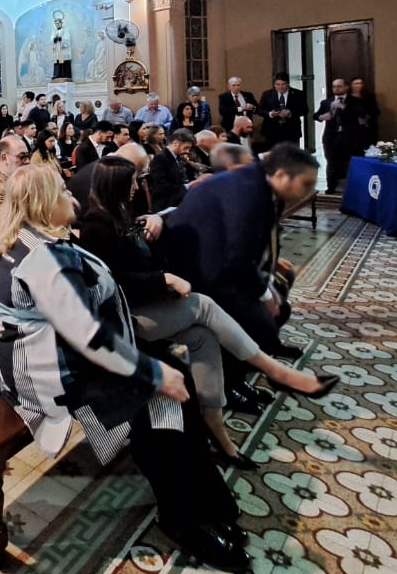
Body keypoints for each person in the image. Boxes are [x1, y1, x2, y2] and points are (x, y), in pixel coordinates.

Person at [0, 165, 251, 572]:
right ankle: (181, 518)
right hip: (49, 374)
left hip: (70, 356)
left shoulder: (43, 240)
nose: (71, 198)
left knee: (174, 390)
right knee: (160, 400)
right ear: (42, 205)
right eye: (61, 192)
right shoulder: (40, 259)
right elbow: (85, 333)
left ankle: (206, 503)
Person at [77, 158, 334, 466]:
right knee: (204, 304)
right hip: (126, 318)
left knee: (203, 337)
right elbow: (114, 283)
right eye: (132, 182)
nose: (137, 186)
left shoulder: (120, 211)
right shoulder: (95, 224)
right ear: (115, 184)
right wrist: (164, 278)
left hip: (147, 304)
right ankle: (275, 371)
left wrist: (152, 220)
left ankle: (216, 429)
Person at [161, 145, 321, 414]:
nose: (306, 191)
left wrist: (267, 278)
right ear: (281, 175)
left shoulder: (259, 182)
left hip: (223, 268)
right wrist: (264, 294)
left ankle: (237, 379)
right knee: (259, 323)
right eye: (305, 183)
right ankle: (228, 387)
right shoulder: (248, 190)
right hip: (199, 274)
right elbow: (237, 253)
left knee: (273, 311)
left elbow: (259, 241)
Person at [0, 134, 30, 255]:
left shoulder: (27, 179)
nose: (28, 161)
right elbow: (1, 229)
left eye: (28, 156)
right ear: (4, 158)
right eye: (22, 157)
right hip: (12, 251)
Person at [315, 78, 354, 193]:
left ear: (345, 87)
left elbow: (360, 113)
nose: (336, 89)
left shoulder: (353, 101)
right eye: (334, 86)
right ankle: (330, 187)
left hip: (348, 137)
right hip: (331, 137)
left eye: (339, 86)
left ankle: (350, 189)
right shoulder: (326, 102)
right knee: (331, 162)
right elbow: (316, 115)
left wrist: (344, 107)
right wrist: (322, 117)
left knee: (349, 163)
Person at [146, 128, 197, 210]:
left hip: (178, 200)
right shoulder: (160, 159)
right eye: (186, 147)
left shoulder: (177, 158)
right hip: (166, 204)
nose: (187, 151)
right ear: (176, 143)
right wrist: (187, 186)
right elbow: (161, 187)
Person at [50, 12, 73, 80]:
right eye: (55, 24)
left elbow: (67, 38)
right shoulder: (54, 31)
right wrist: (55, 39)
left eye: (58, 23)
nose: (56, 25)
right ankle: (57, 74)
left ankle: (66, 75)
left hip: (63, 49)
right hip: (57, 48)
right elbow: (51, 39)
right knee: (57, 61)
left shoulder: (65, 29)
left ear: (61, 23)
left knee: (64, 61)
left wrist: (60, 38)